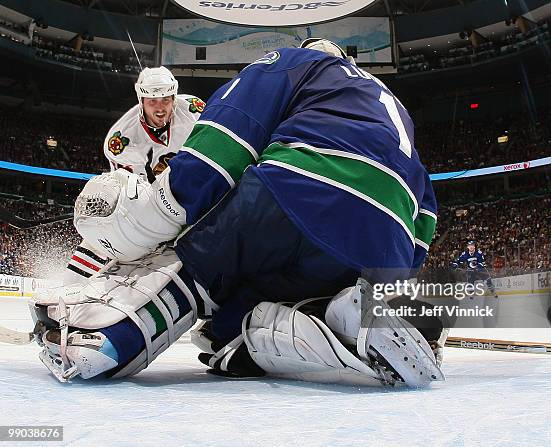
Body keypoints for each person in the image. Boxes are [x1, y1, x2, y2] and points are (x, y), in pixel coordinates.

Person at [33, 40, 443, 387]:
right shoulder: (398, 113)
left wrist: (166, 214)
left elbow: (223, 145)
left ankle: (102, 340)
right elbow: (424, 222)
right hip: (381, 249)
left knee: (196, 274)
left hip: (296, 189)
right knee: (225, 330)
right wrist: (390, 276)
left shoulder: (294, 62)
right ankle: (339, 317)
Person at [62, 66, 205, 285]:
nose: (160, 109)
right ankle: (71, 284)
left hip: (199, 187)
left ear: (174, 97)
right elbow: (133, 192)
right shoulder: (121, 141)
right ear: (141, 100)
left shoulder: (194, 108)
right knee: (110, 231)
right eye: (152, 101)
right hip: (158, 200)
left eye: (165, 100)